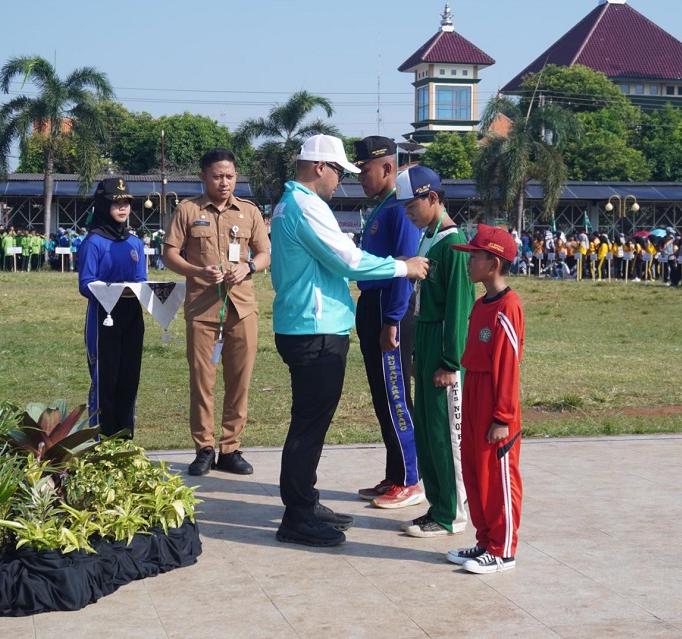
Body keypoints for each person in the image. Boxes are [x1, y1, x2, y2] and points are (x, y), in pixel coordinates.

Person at [270, 134, 429, 547]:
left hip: (310, 324)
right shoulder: (306, 206)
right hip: (314, 329)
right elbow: (349, 259)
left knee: (312, 422)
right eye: (339, 170)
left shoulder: (291, 203)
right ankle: (298, 515)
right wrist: (403, 267)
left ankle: (305, 500)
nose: (342, 180)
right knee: (308, 426)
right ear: (320, 166)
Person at [163, 148, 271, 477]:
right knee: (202, 381)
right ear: (203, 177)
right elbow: (169, 254)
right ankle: (204, 448)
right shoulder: (187, 210)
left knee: (239, 381)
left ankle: (231, 448)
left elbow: (265, 252)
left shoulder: (249, 212)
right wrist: (197, 271)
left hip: (242, 309)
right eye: (217, 176)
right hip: (203, 309)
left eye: (230, 176)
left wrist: (248, 267)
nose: (224, 182)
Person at [397, 165, 475, 539]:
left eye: (412, 205)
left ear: (432, 197)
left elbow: (459, 308)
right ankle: (437, 505)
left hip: (443, 344)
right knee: (427, 430)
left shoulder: (454, 244)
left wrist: (450, 361)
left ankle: (453, 513)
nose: (408, 213)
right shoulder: (427, 238)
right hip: (425, 340)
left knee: (446, 434)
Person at [445, 224, 524, 574]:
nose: (469, 261)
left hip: (495, 402)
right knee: (475, 473)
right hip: (473, 393)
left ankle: (503, 549)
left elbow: (508, 366)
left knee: (498, 476)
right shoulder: (480, 305)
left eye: (474, 256)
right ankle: (485, 541)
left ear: (493, 263)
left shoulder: (508, 307)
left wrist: (502, 417)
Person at [351, 137, 424, 509]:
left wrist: (393, 320)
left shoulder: (399, 209)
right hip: (372, 304)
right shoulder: (381, 206)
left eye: (364, 170)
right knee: (383, 396)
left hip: (388, 309)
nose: (360, 178)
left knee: (395, 395)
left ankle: (411, 479)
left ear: (387, 168)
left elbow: (404, 268)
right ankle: (395, 474)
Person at [77, 177, 147, 439]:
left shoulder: (135, 243)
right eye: (116, 202)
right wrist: (111, 290)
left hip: (132, 315)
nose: (123, 207)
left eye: (127, 202)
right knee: (105, 377)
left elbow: (141, 280)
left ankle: (125, 435)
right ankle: (100, 438)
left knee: (130, 376)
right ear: (103, 205)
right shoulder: (93, 242)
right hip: (103, 315)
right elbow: (85, 284)